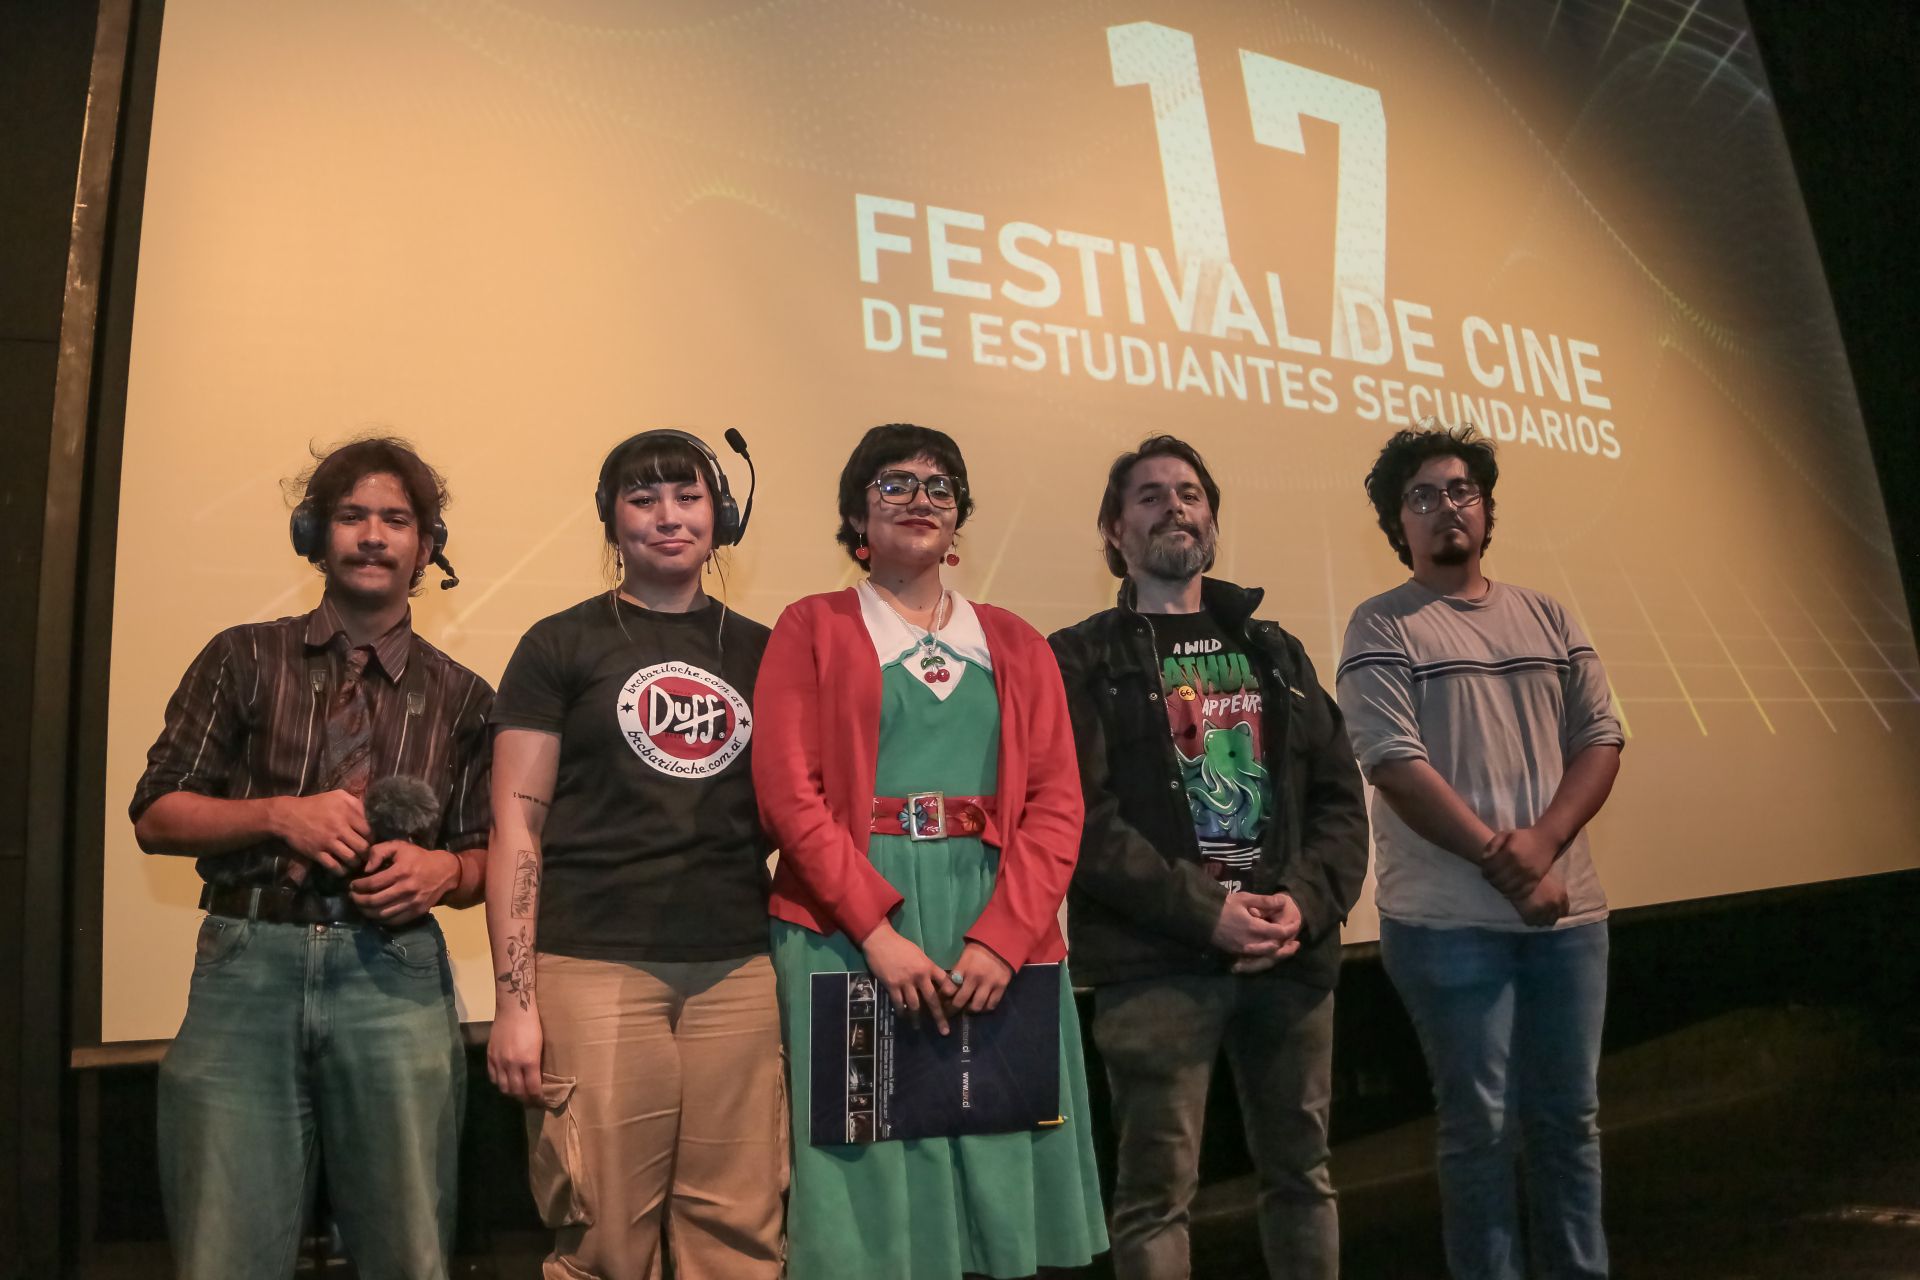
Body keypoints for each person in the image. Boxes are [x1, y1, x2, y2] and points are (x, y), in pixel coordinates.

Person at [131, 436, 492, 1280]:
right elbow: (156, 814)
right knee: (223, 1253)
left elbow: (487, 855)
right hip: (247, 968)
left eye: (395, 520)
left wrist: (446, 873)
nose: (373, 535)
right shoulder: (242, 656)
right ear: (314, 535)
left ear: (426, 547)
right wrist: (278, 815)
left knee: (410, 1254)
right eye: (351, 516)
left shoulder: (466, 695)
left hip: (394, 975)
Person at [753, 423, 1108, 1279]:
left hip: (996, 918)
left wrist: (1004, 941)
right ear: (856, 515)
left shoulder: (1016, 641)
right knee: (866, 1166)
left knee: (998, 1143)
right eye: (894, 483)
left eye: (939, 486)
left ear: (958, 519)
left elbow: (1058, 803)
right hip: (849, 927)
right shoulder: (811, 626)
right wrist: (876, 934)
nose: (919, 498)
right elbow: (788, 795)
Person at [1049, 435, 1370, 1280]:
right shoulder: (1080, 657)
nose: (1175, 507)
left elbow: (1340, 800)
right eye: (1150, 496)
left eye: (1190, 493)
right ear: (1115, 531)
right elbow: (1078, 819)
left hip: (1289, 958)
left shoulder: (1276, 650)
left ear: (1213, 523)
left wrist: (1303, 902)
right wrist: (1206, 914)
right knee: (1156, 1196)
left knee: (1304, 1178)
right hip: (1155, 963)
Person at [483, 430, 783, 1280]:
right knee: (605, 1239)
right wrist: (514, 1003)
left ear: (721, 517)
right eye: (643, 499)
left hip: (738, 968)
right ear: (611, 521)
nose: (667, 517)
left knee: (741, 1236)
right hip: (592, 963)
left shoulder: (765, 650)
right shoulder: (559, 644)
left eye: (688, 497)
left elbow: (793, 809)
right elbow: (516, 826)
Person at [1336, 422, 1623, 1279]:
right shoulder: (1381, 624)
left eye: (1460, 490)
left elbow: (1601, 739)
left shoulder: (1548, 614)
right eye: (1421, 496)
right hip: (1445, 925)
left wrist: (1544, 844)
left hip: (1569, 919)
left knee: (1570, 1123)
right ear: (1398, 524)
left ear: (1487, 508)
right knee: (1480, 1130)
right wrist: (1512, 865)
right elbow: (1394, 764)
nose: (1445, 506)